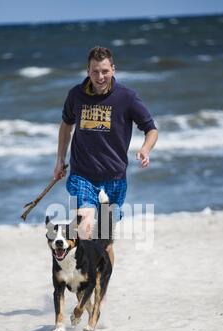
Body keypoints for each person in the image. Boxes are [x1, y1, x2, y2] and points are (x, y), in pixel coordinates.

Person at [53, 46, 158, 265]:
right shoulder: (76, 95)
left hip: (114, 179)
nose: (100, 77)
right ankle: (85, 284)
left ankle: (100, 294)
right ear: (88, 71)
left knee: (106, 239)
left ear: (113, 69)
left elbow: (151, 129)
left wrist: (145, 149)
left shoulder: (127, 98)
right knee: (85, 227)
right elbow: (66, 125)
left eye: (104, 71)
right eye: (94, 72)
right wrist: (59, 160)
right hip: (83, 174)